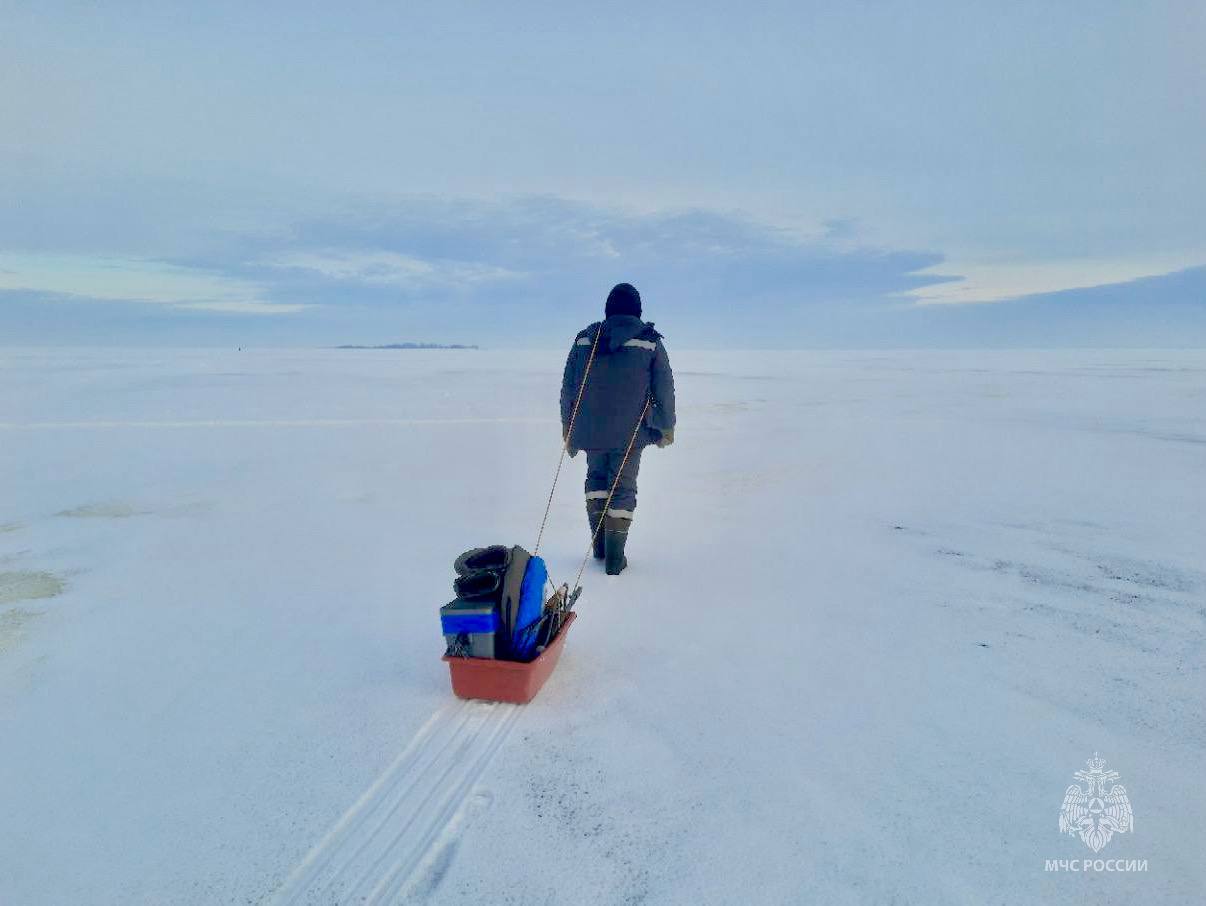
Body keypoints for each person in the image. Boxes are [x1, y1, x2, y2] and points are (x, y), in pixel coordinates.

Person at [560, 283, 676, 575]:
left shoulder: (585, 340)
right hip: (630, 432)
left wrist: (568, 427)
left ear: (608, 309)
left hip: (589, 428)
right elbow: (664, 388)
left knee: (596, 480)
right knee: (622, 488)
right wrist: (666, 426)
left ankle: (599, 548)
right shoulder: (649, 341)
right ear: (637, 311)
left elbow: (569, 388)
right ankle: (614, 559)